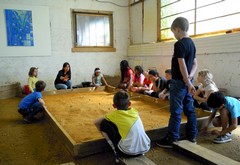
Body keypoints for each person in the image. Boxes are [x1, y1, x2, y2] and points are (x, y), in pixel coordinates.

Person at [156, 17, 198, 148]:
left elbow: (182, 64)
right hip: (186, 81)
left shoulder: (179, 44)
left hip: (179, 83)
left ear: (178, 29)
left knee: (176, 111)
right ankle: (192, 136)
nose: (174, 35)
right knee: (190, 110)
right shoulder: (192, 43)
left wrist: (187, 82)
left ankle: (172, 138)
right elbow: (195, 63)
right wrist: (190, 79)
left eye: (173, 32)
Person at [93, 90, 150, 161]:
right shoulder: (135, 111)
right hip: (146, 147)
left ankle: (115, 150)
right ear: (129, 104)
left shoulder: (114, 115)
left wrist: (103, 133)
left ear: (113, 106)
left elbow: (95, 122)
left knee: (104, 123)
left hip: (127, 152)